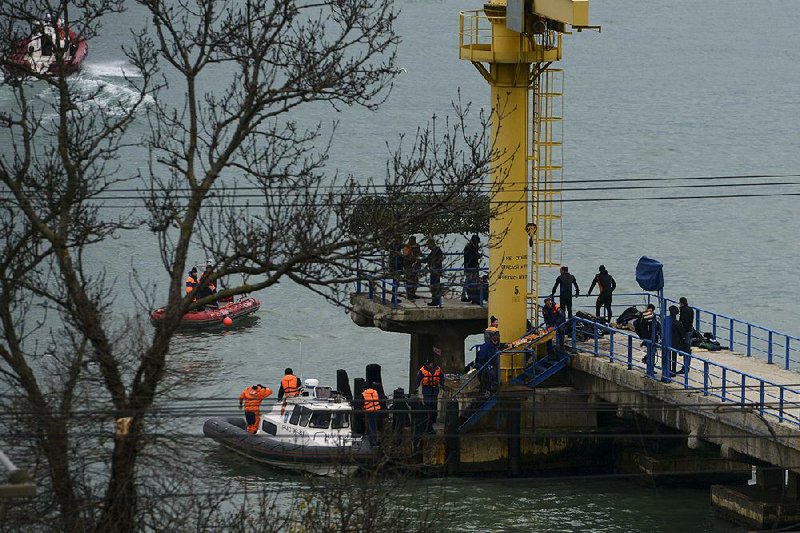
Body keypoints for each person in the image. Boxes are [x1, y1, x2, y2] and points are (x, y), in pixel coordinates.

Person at [414, 360, 443, 433]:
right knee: (427, 403)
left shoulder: (438, 369)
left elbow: (442, 377)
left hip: (435, 389)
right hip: (427, 388)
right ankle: (428, 418)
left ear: (432, 363)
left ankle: (433, 418)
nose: (427, 365)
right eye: (426, 364)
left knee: (434, 404)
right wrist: (415, 388)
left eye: (429, 364)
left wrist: (442, 385)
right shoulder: (422, 370)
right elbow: (418, 379)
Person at [476, 327, 501, 392]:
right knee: (491, 373)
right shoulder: (491, 347)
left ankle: (483, 389)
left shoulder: (484, 345)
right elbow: (491, 358)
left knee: (483, 378)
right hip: (484, 366)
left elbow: (478, 354)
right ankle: (492, 387)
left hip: (479, 365)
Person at [422, 238, 444, 307]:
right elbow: (428, 259)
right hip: (434, 270)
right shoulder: (434, 251)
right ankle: (435, 300)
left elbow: (434, 260)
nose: (428, 247)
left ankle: (436, 300)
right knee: (434, 285)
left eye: (428, 245)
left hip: (436, 271)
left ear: (432, 244)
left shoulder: (437, 250)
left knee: (435, 285)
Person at [668, 305, 690, 375]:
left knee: (669, 356)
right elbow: (683, 334)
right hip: (676, 343)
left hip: (668, 342)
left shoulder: (667, 321)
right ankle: (685, 368)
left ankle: (669, 370)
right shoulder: (678, 323)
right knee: (687, 350)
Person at [462, 234, 481, 304]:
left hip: (472, 267)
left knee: (471, 281)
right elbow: (472, 257)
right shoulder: (469, 248)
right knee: (469, 281)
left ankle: (470, 296)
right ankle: (466, 295)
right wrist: (478, 256)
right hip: (470, 267)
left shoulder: (471, 247)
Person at [402, 236, 421, 300]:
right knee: (409, 281)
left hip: (415, 266)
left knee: (415, 281)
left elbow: (420, 254)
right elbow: (405, 256)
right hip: (408, 266)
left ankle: (413, 293)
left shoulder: (416, 246)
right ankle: (409, 295)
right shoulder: (406, 247)